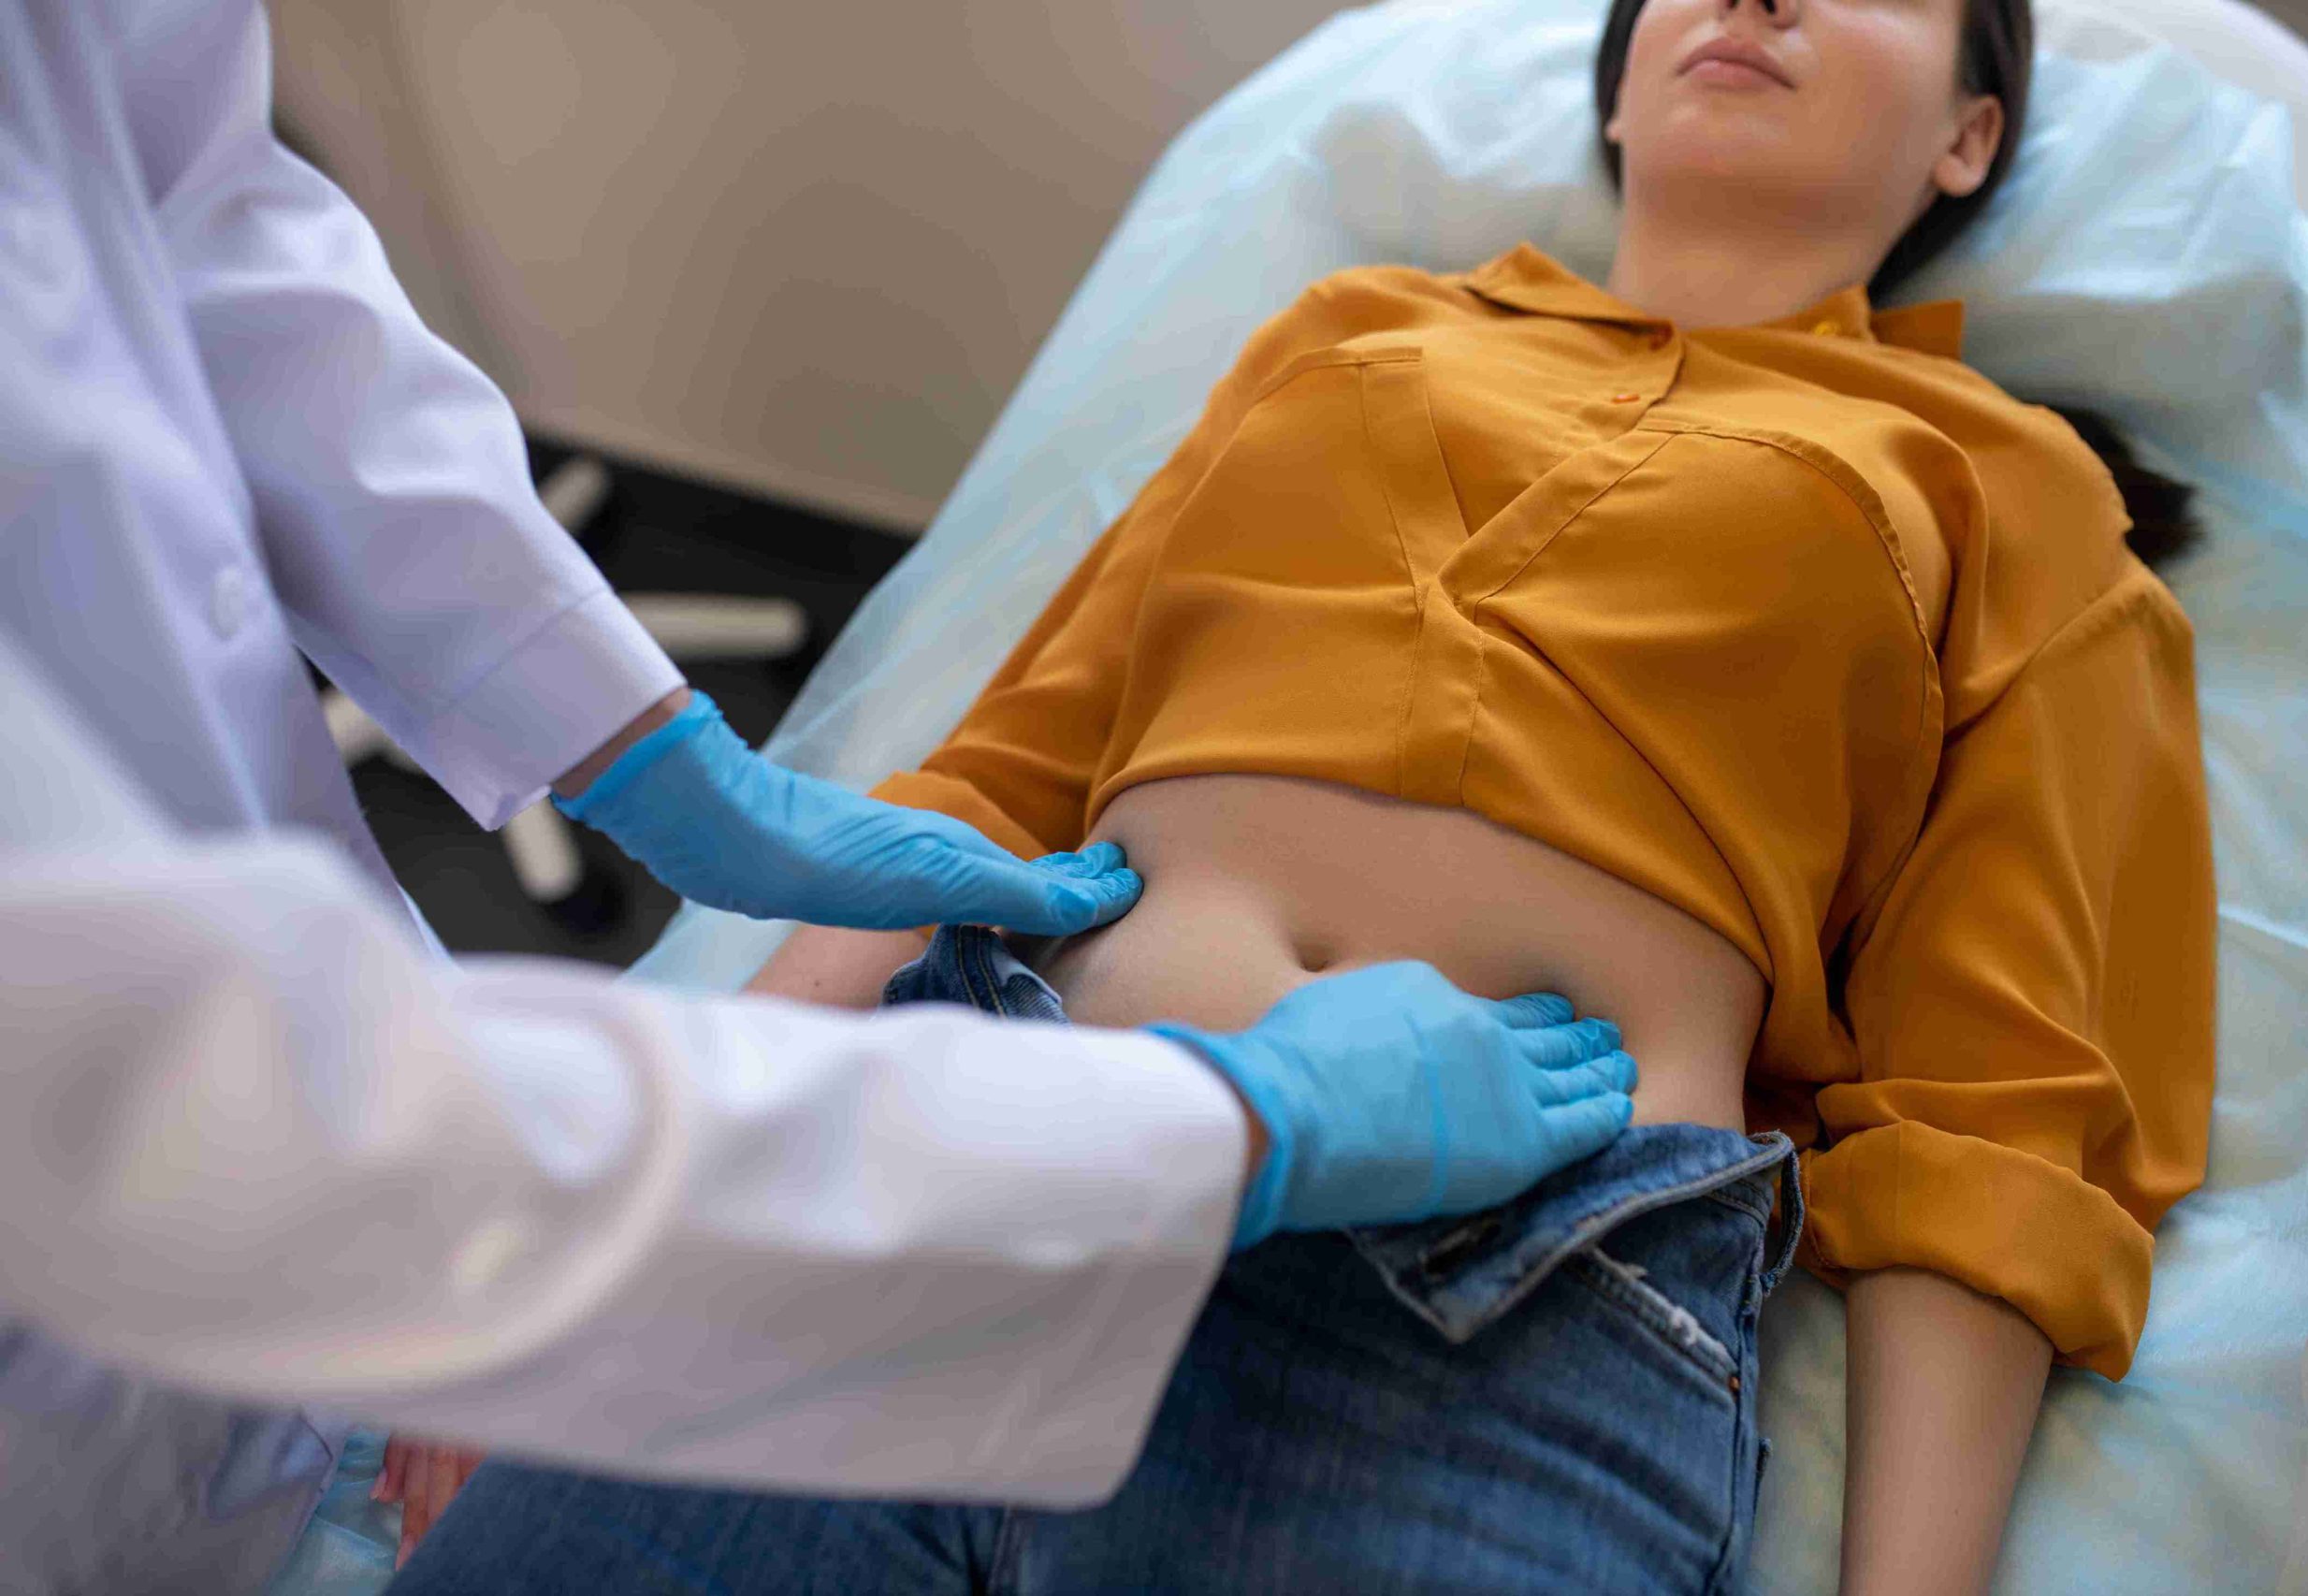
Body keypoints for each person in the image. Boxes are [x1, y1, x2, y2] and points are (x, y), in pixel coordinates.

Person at [390, 0, 2216, 1591]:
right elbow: (1003, 778)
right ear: (1613, 96)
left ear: (1968, 134)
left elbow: (1994, 1108)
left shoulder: (2003, 487)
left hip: (1491, 1303)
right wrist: (652, 1231)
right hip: (994, 1142)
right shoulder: (1346, 335)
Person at [0, 2, 1645, 1592]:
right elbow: (204, 1110)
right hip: (142, 1363)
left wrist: (650, 746)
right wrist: (1232, 1120)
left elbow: (189, 223)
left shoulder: (1912, 439)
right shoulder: (1352, 335)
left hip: (1465, 1288)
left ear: (1930, 141)